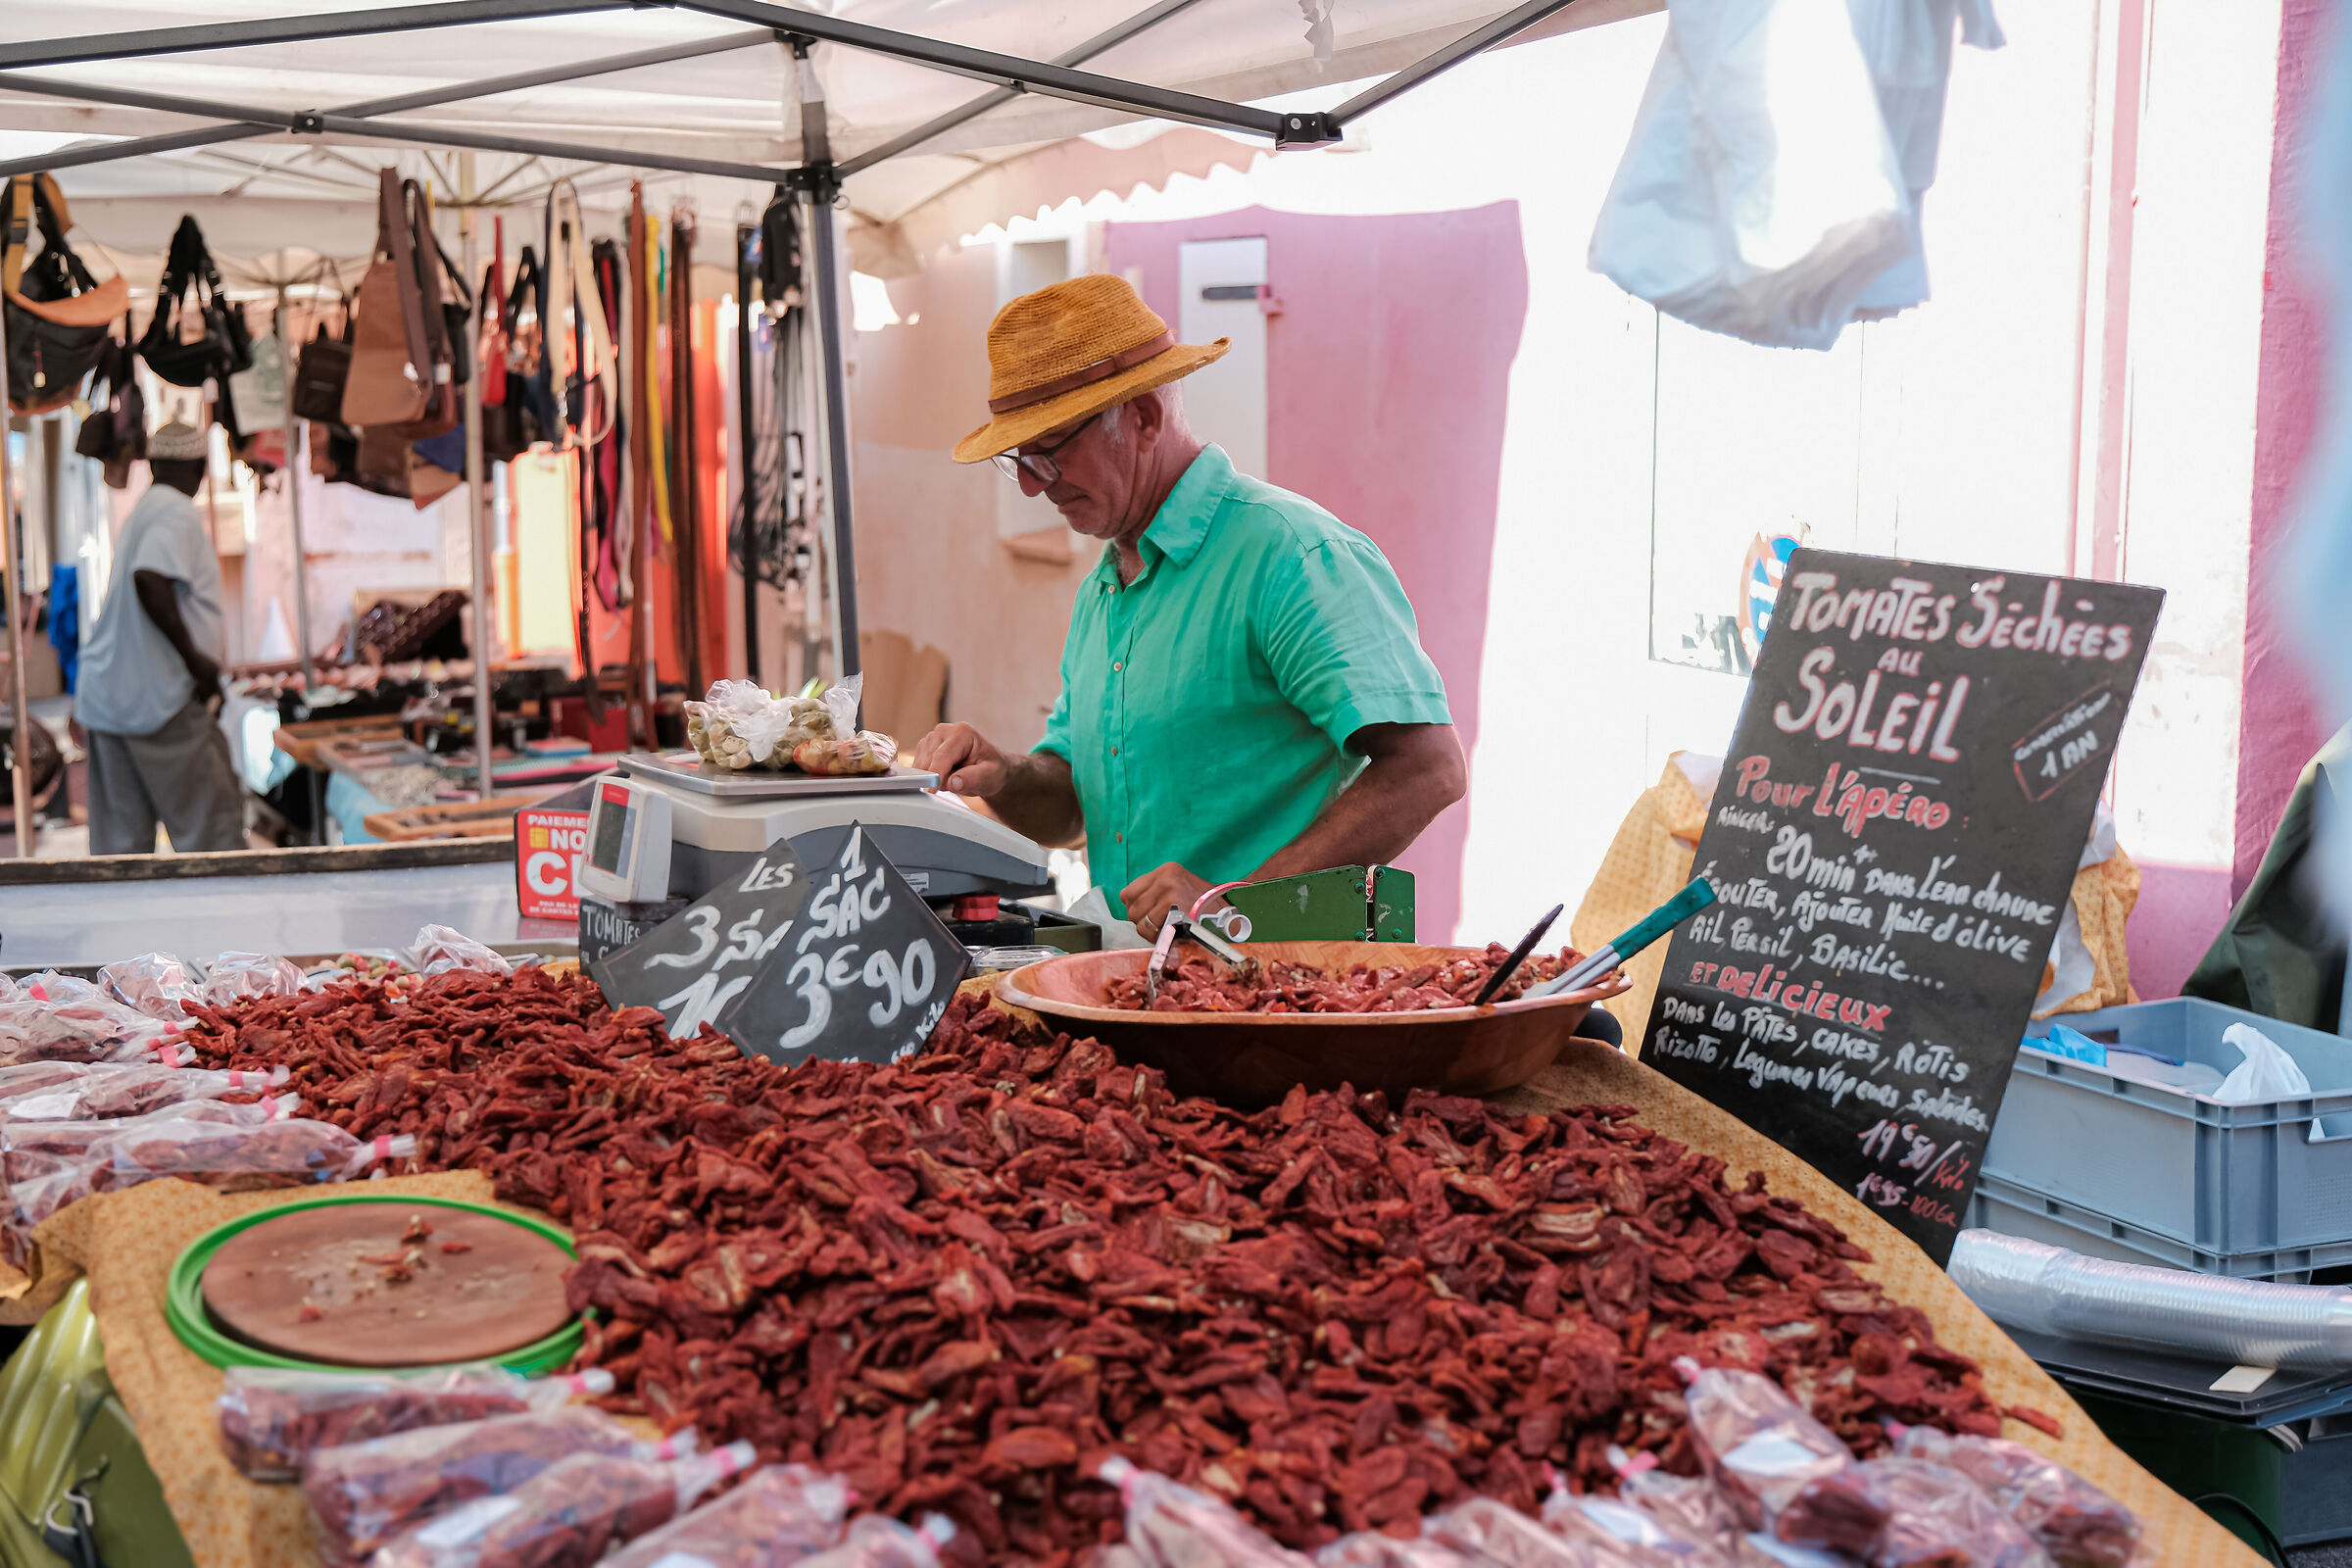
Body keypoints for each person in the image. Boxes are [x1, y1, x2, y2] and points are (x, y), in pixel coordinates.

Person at [912, 274, 1465, 938]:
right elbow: (1073, 810)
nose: (1033, 488)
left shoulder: (1287, 553)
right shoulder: (1106, 587)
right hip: (1151, 987)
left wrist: (1235, 902)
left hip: (1283, 996)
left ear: (1143, 416)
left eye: (1051, 454)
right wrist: (1003, 774)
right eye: (1018, 461)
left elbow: (1430, 768)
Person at [74, 419, 244, 855]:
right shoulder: (175, 510)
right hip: (157, 702)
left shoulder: (147, 508)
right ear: (199, 468)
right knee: (213, 842)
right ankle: (220, 924)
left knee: (121, 852)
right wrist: (198, 662)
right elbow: (149, 578)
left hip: (111, 700)